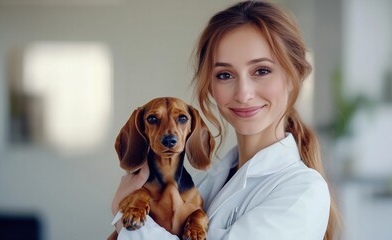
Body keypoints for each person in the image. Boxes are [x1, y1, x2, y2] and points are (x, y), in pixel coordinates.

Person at [110, 1, 340, 239]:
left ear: (294, 76)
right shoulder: (206, 180)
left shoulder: (302, 191)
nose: (243, 94)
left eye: (261, 70)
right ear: (210, 85)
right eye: (225, 75)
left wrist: (123, 214)